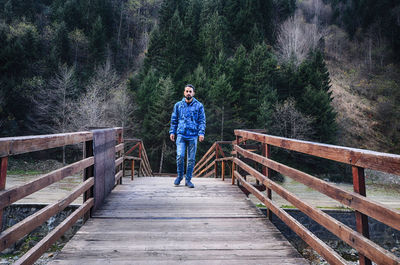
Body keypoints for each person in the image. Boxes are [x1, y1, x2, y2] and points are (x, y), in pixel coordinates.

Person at [169, 84, 206, 188]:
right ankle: (180, 176)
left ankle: (188, 180)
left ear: (193, 93)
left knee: (191, 159)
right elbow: (174, 119)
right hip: (181, 134)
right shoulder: (178, 105)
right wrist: (172, 132)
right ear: (184, 93)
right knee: (180, 156)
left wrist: (201, 133)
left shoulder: (199, 106)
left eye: (190, 91)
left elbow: (202, 121)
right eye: (187, 91)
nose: (188, 93)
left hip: (193, 135)